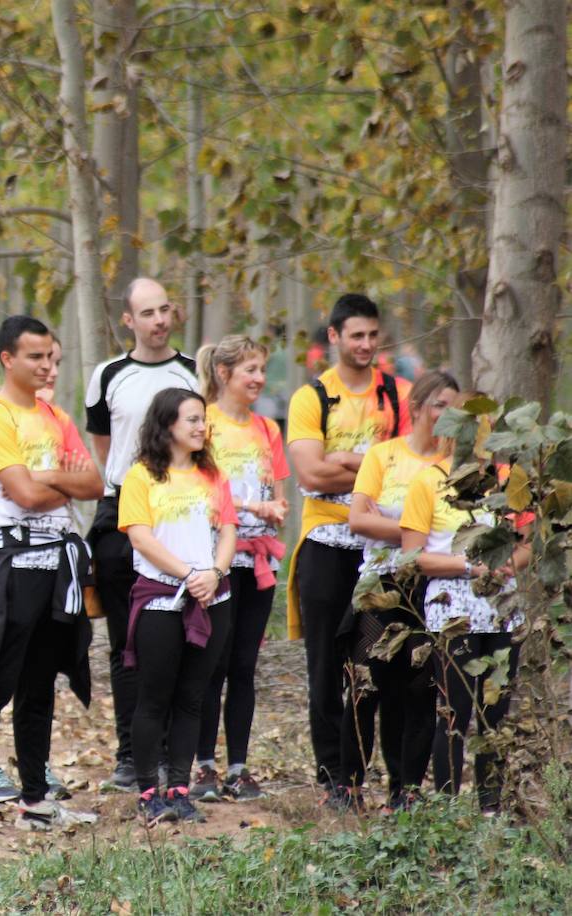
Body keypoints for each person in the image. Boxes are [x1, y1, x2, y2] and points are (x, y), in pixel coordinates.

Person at [0, 315, 102, 834]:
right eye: (36, 357)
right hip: (8, 566)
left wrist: (46, 476)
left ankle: (36, 799)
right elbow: (25, 494)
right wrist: (54, 483)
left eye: (52, 357)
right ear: (7, 359)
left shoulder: (57, 416)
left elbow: (96, 482)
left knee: (40, 687)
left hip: (55, 568)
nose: (46, 366)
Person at [285, 293, 411, 805]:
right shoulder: (311, 397)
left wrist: (346, 456)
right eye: (355, 335)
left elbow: (409, 467)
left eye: (372, 335)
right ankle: (335, 777)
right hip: (325, 543)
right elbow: (310, 473)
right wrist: (375, 464)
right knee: (325, 666)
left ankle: (381, 773)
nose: (365, 344)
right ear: (334, 337)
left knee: (380, 664)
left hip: (384, 547)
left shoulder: (399, 394)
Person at [84, 278, 198, 792]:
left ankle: (178, 758)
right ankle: (131, 755)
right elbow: (104, 446)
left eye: (165, 310)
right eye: (147, 313)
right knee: (124, 642)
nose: (159, 320)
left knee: (181, 638)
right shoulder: (108, 374)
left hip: (182, 515)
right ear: (127, 320)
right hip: (119, 515)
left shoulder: (193, 371)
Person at [340, 371, 458, 811]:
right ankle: (349, 786)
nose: (448, 416)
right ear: (420, 406)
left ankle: (404, 791)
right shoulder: (383, 455)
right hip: (380, 582)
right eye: (441, 405)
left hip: (431, 585)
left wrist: (398, 528)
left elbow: (458, 531)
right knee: (366, 684)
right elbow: (358, 520)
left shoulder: (452, 466)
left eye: (455, 407)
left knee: (419, 691)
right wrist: (418, 530)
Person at [120, 388, 238, 825]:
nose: (200, 427)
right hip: (161, 598)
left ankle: (180, 789)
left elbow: (228, 531)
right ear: (167, 424)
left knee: (193, 697)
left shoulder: (214, 476)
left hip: (212, 597)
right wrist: (188, 575)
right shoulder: (141, 477)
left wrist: (215, 574)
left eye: (202, 419)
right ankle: (149, 792)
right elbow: (140, 536)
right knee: (154, 698)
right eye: (191, 419)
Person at [400, 419, 530, 815]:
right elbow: (414, 555)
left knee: (496, 712)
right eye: (468, 433)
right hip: (452, 605)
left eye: (484, 432)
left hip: (502, 606)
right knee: (454, 710)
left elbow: (527, 543)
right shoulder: (429, 481)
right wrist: (469, 566)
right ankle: (450, 809)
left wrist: (507, 566)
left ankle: (490, 808)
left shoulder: (511, 480)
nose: (476, 443)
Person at [188, 336, 289, 804]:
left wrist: (275, 510)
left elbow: (278, 491)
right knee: (213, 662)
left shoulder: (267, 428)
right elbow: (192, 489)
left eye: (262, 369)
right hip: (215, 560)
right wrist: (249, 505)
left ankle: (239, 768)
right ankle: (202, 764)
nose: (259, 379)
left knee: (244, 666)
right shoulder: (201, 423)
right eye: (250, 369)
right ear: (224, 372)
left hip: (258, 561)